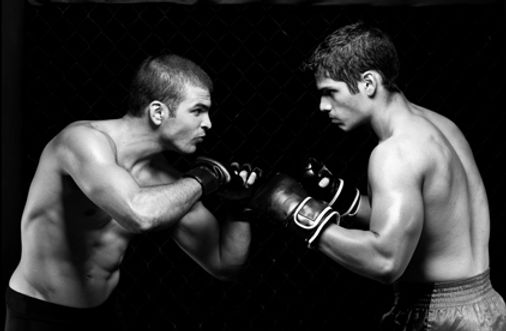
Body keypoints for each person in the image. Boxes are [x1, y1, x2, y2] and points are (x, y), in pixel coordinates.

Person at [250, 22, 506, 330]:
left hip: (439, 316)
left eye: (330, 92)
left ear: (369, 82)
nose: (323, 106)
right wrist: (343, 197)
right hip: (485, 305)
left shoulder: (393, 153)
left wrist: (298, 211)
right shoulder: (441, 126)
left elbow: (386, 261)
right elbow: (426, 221)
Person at [5, 54, 261, 331]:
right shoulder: (83, 141)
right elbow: (139, 214)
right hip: (40, 313)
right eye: (198, 110)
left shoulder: (166, 182)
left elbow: (225, 263)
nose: (208, 123)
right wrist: (205, 179)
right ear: (158, 112)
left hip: (101, 315)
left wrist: (240, 209)